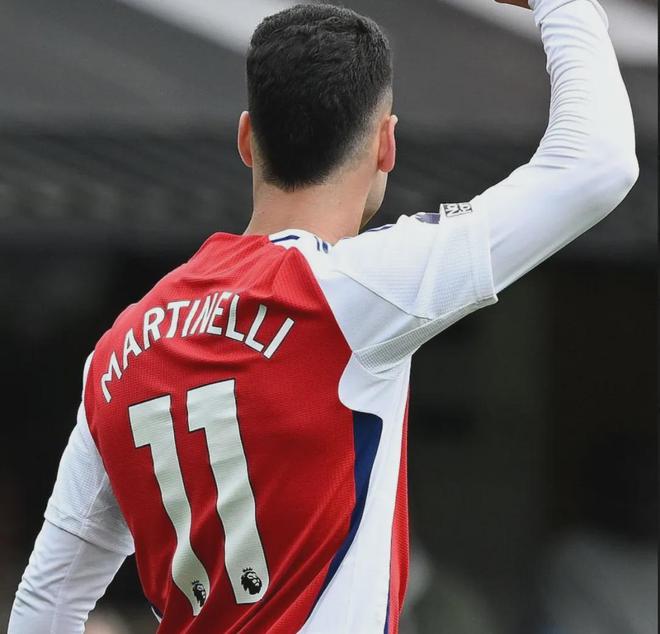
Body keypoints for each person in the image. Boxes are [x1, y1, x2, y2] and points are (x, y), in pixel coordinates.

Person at [8, 1, 637, 632]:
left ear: (246, 140)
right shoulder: (351, 291)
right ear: (387, 144)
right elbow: (597, 165)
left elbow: (47, 604)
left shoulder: (117, 351)